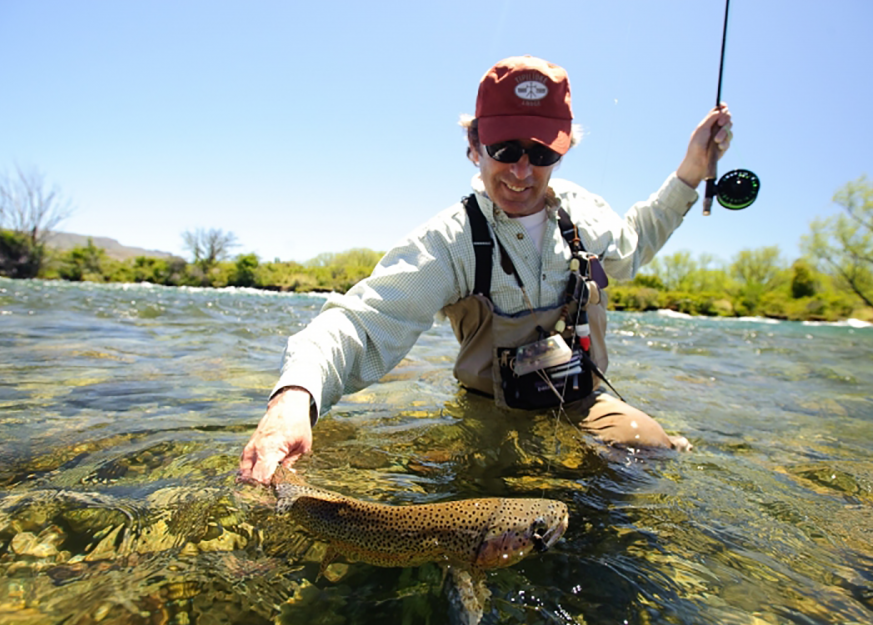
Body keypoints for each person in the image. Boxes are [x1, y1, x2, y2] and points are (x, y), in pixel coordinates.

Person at [240, 55, 732, 485]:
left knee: (649, 450)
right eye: (504, 150)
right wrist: (294, 398)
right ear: (474, 145)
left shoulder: (586, 214)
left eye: (541, 154)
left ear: (563, 152)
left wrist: (691, 171)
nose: (521, 171)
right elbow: (361, 320)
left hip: (584, 399)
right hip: (489, 412)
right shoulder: (450, 241)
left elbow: (637, 242)